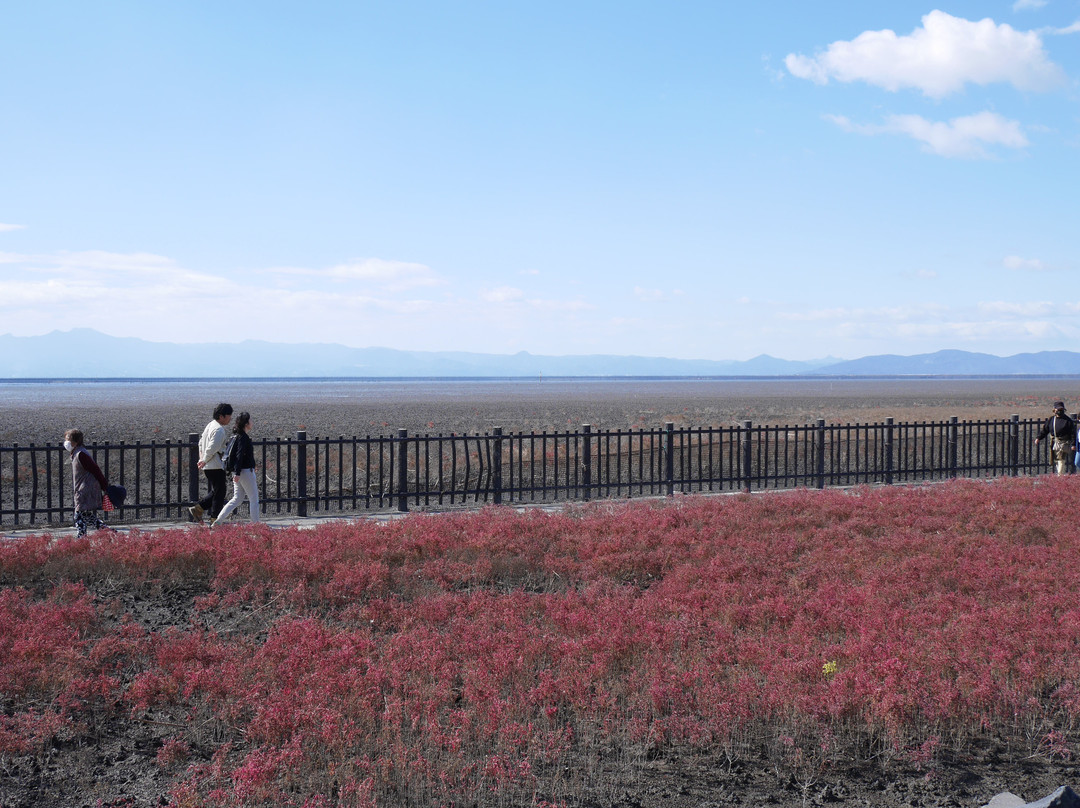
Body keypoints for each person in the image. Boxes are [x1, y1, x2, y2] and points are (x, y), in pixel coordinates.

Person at [211, 411, 259, 527]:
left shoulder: (236, 436)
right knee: (254, 499)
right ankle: (256, 526)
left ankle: (218, 521)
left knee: (237, 499)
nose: (252, 422)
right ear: (246, 423)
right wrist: (237, 472)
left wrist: (237, 472)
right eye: (250, 420)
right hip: (245, 472)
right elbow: (239, 455)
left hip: (238, 472)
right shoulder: (243, 437)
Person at [189, 403, 233, 523]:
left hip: (209, 465)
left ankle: (198, 509)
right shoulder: (219, 429)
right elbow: (212, 448)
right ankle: (214, 519)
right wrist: (203, 460)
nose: (230, 418)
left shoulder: (210, 426)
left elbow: (201, 443)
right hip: (215, 465)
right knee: (220, 493)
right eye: (229, 415)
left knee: (218, 490)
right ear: (221, 416)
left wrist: (202, 459)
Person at [65, 428, 111, 537]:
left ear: (75, 441)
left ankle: (82, 539)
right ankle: (107, 531)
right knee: (85, 515)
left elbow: (95, 470)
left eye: (68, 439)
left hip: (85, 489)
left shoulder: (81, 454)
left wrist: (105, 486)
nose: (66, 442)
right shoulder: (77, 452)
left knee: (79, 515)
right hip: (83, 488)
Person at [1035, 400, 1077, 475]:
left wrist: (1073, 444)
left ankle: (1060, 475)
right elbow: (1045, 430)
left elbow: (1073, 434)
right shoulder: (1051, 420)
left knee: (1061, 459)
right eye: (1058, 409)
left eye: (1061, 409)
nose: (1060, 411)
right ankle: (1060, 474)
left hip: (1064, 443)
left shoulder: (1068, 421)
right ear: (1054, 410)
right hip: (1054, 442)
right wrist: (1038, 438)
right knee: (1056, 460)